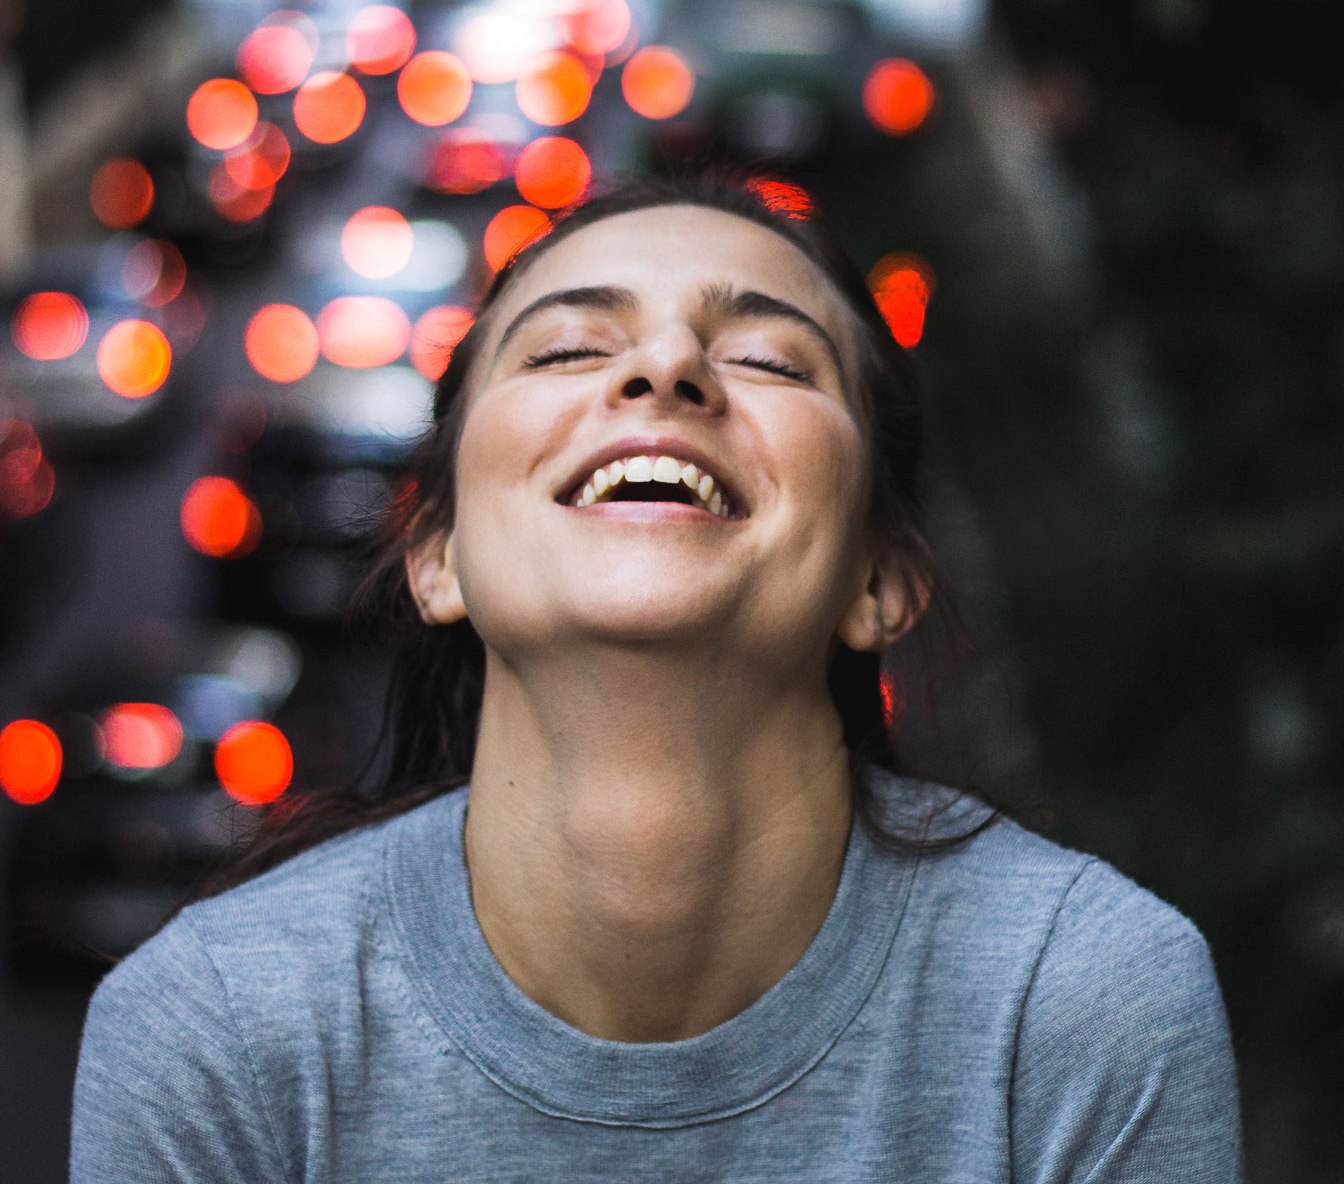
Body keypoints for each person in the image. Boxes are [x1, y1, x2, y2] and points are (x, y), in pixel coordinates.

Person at [70, 172, 1242, 1181]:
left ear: (881, 576)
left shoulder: (1083, 1006)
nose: (669, 365)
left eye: (768, 358)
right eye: (572, 346)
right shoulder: (208, 1031)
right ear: (436, 554)